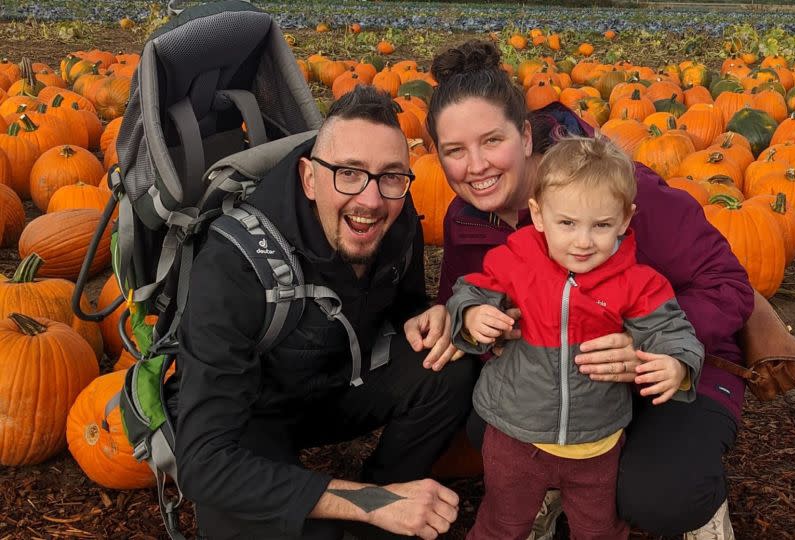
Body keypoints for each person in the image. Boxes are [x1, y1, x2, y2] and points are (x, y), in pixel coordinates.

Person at [425, 41, 754, 540]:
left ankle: (698, 509)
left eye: (492, 140)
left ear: (527, 137)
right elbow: (466, 297)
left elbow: (728, 286)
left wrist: (641, 343)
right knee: (486, 425)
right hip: (555, 381)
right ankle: (549, 485)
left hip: (666, 361)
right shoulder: (467, 218)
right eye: (454, 151)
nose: (476, 166)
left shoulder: (616, 193)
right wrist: (457, 316)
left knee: (660, 495)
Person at [170, 86, 473, 540]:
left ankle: (390, 492)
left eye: (391, 176)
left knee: (450, 362)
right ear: (310, 178)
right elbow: (204, 462)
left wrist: (420, 313)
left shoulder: (397, 210)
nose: (370, 200)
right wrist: (368, 505)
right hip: (255, 413)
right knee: (241, 513)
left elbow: (405, 299)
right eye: (348, 173)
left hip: (338, 383)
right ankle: (373, 505)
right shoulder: (233, 263)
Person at [446, 135, 705, 540]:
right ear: (539, 214)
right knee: (502, 524)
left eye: (601, 225)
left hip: (596, 443)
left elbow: (672, 331)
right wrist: (472, 316)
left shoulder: (638, 284)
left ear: (624, 220)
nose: (583, 242)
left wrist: (676, 365)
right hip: (515, 437)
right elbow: (469, 292)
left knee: (598, 530)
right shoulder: (514, 263)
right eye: (567, 223)